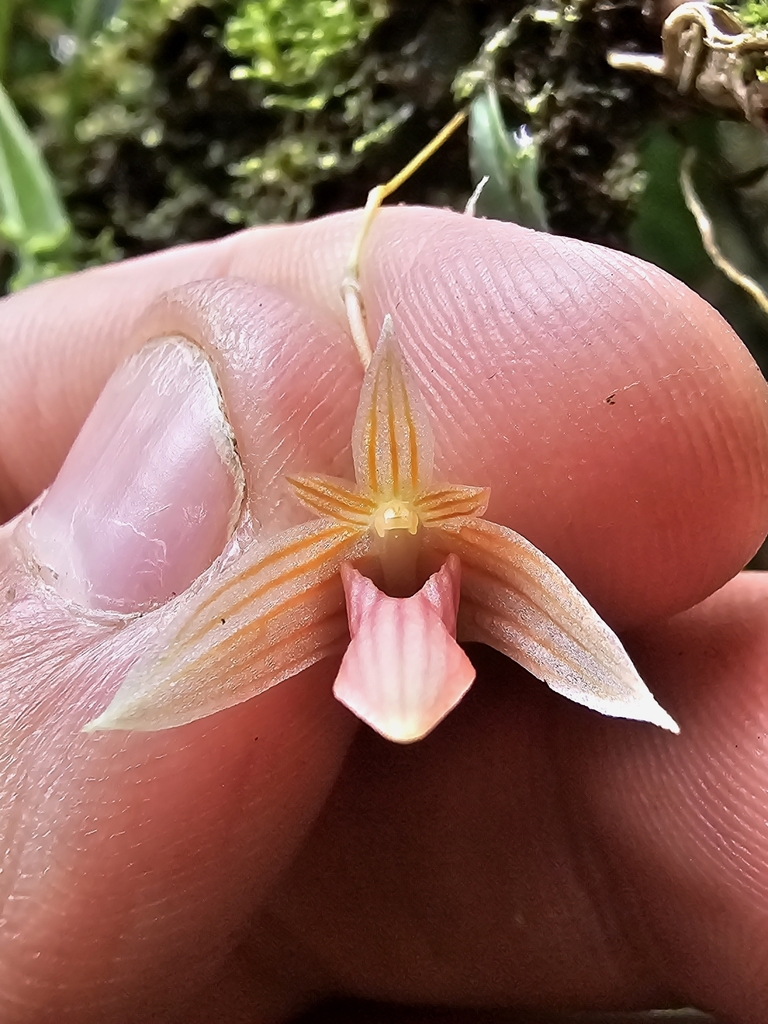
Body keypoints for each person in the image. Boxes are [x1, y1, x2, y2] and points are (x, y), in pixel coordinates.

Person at [0, 205, 766, 1024]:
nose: (399, 564)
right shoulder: (310, 568)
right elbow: (204, 653)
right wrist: (102, 681)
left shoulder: (476, 558)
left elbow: (570, 642)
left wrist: (613, 686)